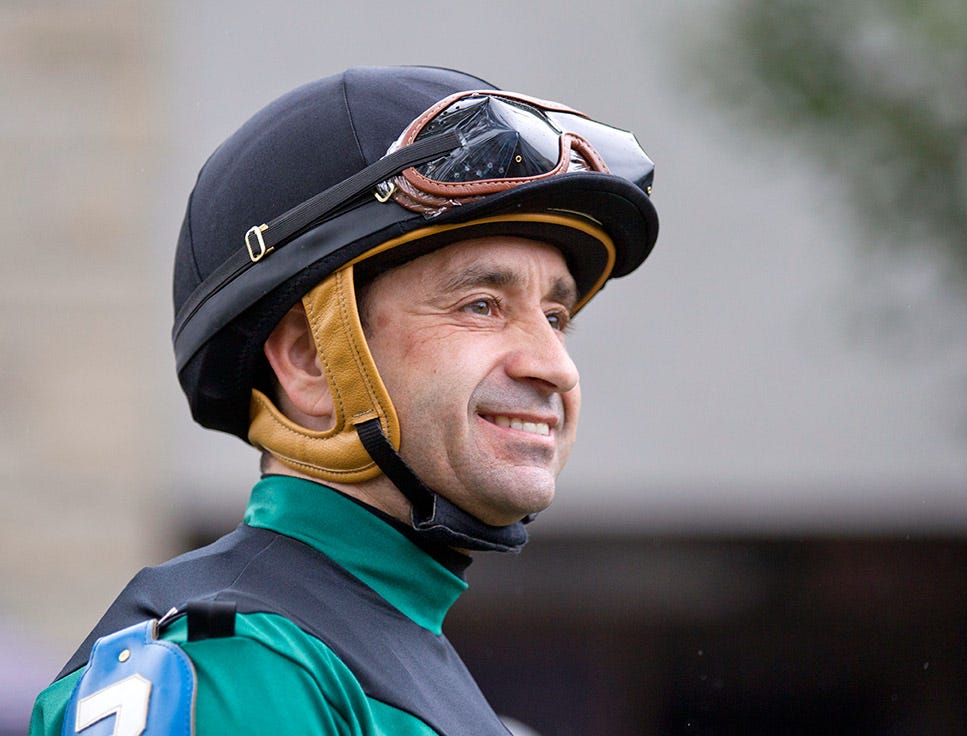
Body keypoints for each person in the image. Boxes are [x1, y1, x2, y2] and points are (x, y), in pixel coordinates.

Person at [29, 65, 658, 735]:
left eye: (556, 318)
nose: (554, 367)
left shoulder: (376, 666)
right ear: (311, 358)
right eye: (481, 305)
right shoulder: (236, 667)